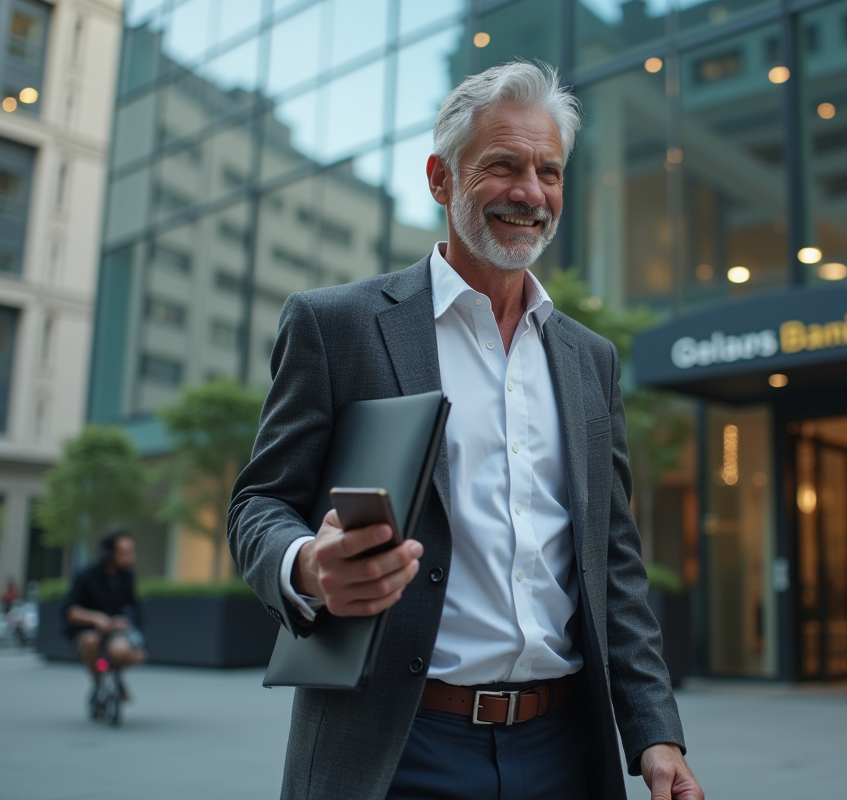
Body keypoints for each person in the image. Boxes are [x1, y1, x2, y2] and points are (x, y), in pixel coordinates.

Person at [229, 62, 702, 800]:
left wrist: (656, 732)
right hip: (397, 748)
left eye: (549, 171)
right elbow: (258, 503)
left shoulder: (591, 360)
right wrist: (309, 565)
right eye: (503, 166)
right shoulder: (336, 325)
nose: (531, 192)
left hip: (563, 750)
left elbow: (612, 558)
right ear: (441, 179)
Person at [62, 530, 147, 703]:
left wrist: (124, 620)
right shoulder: (86, 575)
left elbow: (134, 608)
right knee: (90, 642)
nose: (131, 558)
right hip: (88, 631)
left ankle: (116, 677)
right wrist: (96, 619)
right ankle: (97, 681)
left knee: (128, 653)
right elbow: (69, 610)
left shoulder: (126, 576)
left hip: (115, 632)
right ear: (108, 553)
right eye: (125, 553)